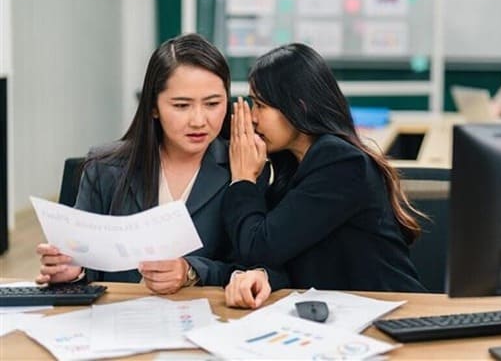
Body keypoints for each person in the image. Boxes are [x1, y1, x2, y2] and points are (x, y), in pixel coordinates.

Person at [35, 34, 275, 295]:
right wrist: (73, 271)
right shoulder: (105, 168)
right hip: (119, 314)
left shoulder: (244, 167)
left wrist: (191, 271)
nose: (198, 120)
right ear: (153, 107)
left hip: (207, 314)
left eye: (212, 104)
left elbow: (256, 267)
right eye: (181, 105)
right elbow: (85, 261)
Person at [222, 43, 426, 309]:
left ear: (299, 107)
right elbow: (269, 255)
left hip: (392, 313)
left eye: (260, 105)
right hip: (340, 314)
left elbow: (258, 247)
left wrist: (242, 179)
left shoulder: (341, 163)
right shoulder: (292, 164)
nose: (252, 117)